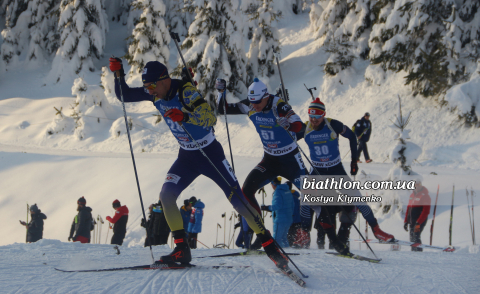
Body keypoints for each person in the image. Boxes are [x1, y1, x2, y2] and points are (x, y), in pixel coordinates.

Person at [109, 59, 288, 270]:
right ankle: (181, 248)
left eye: (151, 86)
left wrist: (185, 116)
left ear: (164, 80)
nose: (149, 91)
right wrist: (119, 74)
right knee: (166, 196)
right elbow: (125, 95)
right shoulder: (154, 92)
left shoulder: (185, 92)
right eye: (146, 87)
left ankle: (269, 245)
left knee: (238, 201)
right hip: (187, 157)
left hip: (209, 154)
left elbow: (209, 118)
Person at [297, 98, 394, 254]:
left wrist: (354, 161)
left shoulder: (333, 124)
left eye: (317, 116)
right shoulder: (305, 128)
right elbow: (288, 142)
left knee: (358, 199)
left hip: (335, 169)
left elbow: (352, 137)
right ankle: (304, 234)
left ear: (323, 114)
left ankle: (377, 230)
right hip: (317, 170)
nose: (313, 119)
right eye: (311, 115)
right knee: (304, 200)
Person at [261, 177, 294, 248]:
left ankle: (279, 253)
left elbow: (277, 206)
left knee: (277, 239)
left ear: (274, 184)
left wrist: (266, 207)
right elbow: (292, 205)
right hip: (288, 219)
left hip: (280, 219)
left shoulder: (277, 192)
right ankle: (288, 251)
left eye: (271, 184)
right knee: (284, 238)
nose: (271, 186)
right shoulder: (287, 190)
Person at [404, 180, 431, 251]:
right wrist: (406, 221)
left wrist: (419, 222)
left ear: (421, 185)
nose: (417, 186)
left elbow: (426, 211)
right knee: (412, 237)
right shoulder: (412, 195)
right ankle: (413, 252)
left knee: (416, 236)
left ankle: (418, 253)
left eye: (418, 185)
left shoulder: (425, 196)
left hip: (419, 221)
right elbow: (408, 209)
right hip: (412, 221)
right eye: (415, 185)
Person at [286, 181, 302, 247]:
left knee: (290, 236)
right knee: (295, 236)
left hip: (292, 220)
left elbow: (293, 210)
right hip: (297, 220)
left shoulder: (290, 197)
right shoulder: (295, 196)